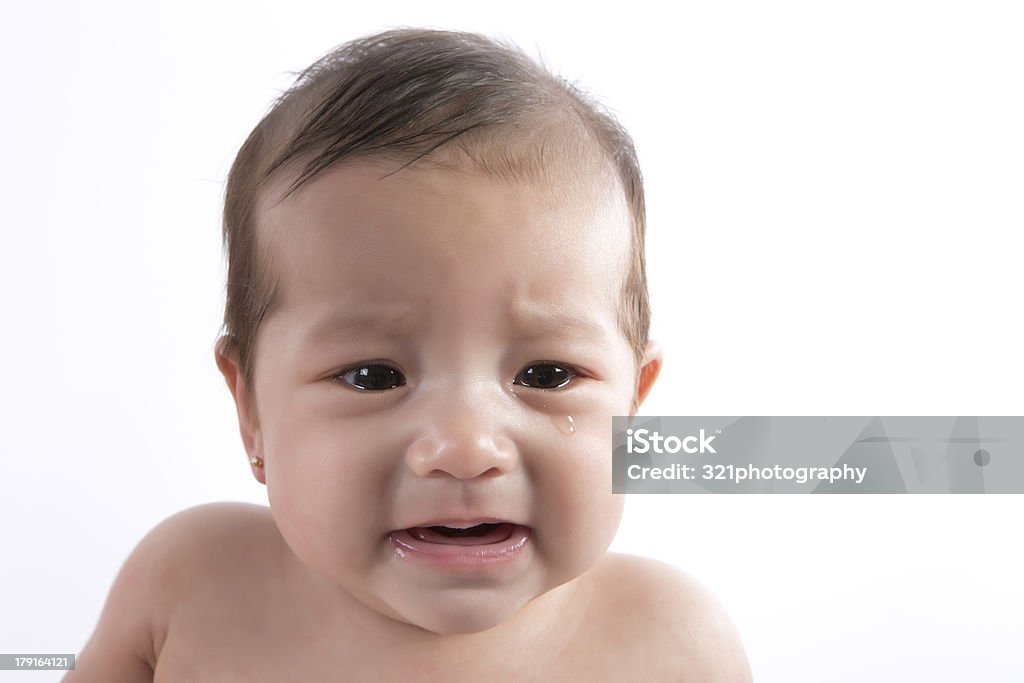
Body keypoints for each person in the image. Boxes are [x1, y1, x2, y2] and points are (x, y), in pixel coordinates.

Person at [68, 28, 751, 681]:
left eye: (547, 374)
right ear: (251, 409)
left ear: (633, 406)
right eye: (373, 376)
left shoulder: (671, 643)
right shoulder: (187, 589)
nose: (464, 446)